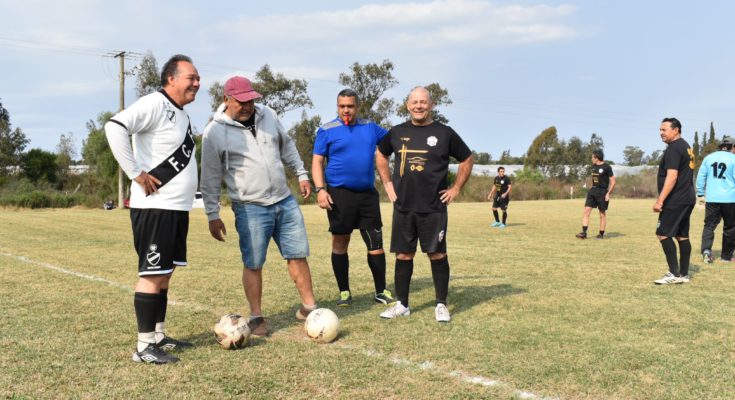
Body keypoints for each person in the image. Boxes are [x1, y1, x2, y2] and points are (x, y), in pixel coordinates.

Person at [200, 76, 317, 337]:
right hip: (250, 206)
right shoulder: (214, 132)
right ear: (226, 100)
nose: (248, 106)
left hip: (284, 200)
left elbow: (287, 145)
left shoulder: (268, 115)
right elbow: (209, 178)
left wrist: (301, 173)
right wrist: (212, 214)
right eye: (241, 101)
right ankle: (256, 317)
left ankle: (310, 308)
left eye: (251, 100)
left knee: (298, 254)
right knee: (253, 262)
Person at [105, 54, 200, 364]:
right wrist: (135, 173)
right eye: (191, 78)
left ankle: (158, 336)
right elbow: (115, 126)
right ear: (170, 78)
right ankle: (144, 347)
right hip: (155, 207)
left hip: (176, 208)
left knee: (165, 273)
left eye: (198, 78)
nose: (197, 83)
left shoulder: (182, 114)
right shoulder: (154, 104)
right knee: (151, 272)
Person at [376, 86, 473, 322]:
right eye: (414, 102)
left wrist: (456, 188)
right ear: (408, 105)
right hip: (404, 206)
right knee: (403, 255)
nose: (419, 106)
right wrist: (387, 183)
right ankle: (402, 304)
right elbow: (381, 154)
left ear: (431, 105)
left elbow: (467, 158)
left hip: (434, 207)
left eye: (423, 102)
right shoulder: (397, 132)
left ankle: (441, 304)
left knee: (437, 254)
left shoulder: (445, 133)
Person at [312, 89, 395, 307]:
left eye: (350, 106)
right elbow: (317, 161)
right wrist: (320, 189)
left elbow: (395, 141)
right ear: (337, 107)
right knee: (341, 242)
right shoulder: (326, 130)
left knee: (375, 242)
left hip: (367, 195)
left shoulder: (370, 127)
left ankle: (381, 291)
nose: (346, 110)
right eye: (342, 106)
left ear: (357, 107)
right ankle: (344, 293)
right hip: (339, 195)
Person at [653, 117, 696, 285]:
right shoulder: (685, 146)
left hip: (676, 199)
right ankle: (684, 274)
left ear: (676, 130)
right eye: (660, 130)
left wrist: (660, 200)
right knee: (682, 235)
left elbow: (672, 177)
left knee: (662, 233)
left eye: (664, 130)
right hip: (687, 197)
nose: (661, 133)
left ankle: (674, 273)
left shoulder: (674, 149)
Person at [695, 135, 735, 263]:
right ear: (732, 147)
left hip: (712, 198)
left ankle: (706, 252)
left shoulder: (708, 158)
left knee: (709, 226)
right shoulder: (734, 159)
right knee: (730, 228)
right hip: (730, 199)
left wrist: (700, 193)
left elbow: (701, 177)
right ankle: (726, 257)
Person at [576, 150, 616, 239]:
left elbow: (613, 181)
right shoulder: (593, 167)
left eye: (592, 157)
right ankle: (584, 233)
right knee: (586, 211)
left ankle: (601, 234)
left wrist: (608, 193)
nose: (591, 159)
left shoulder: (607, 167)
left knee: (602, 213)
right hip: (592, 191)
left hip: (602, 192)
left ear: (597, 158)